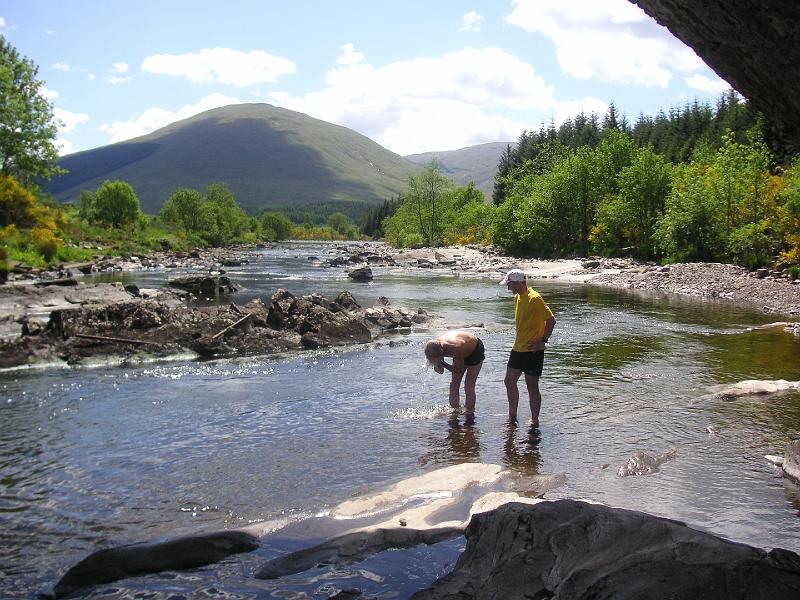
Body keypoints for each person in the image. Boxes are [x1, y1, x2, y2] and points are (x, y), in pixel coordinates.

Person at [499, 269, 556, 427]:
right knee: (509, 381)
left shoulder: (534, 298)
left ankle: (535, 420)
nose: (508, 288)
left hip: (533, 351)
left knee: (532, 386)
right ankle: (512, 416)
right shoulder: (517, 297)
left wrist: (543, 341)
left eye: (510, 285)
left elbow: (551, 320)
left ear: (519, 283)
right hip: (517, 348)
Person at [424, 331, 485, 418]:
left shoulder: (455, 348)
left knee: (469, 385)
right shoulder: (433, 347)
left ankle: (469, 413)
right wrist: (437, 363)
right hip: (460, 350)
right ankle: (455, 412)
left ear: (441, 352)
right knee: (453, 384)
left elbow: (459, 371)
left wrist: (445, 364)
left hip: (475, 350)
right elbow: (440, 371)